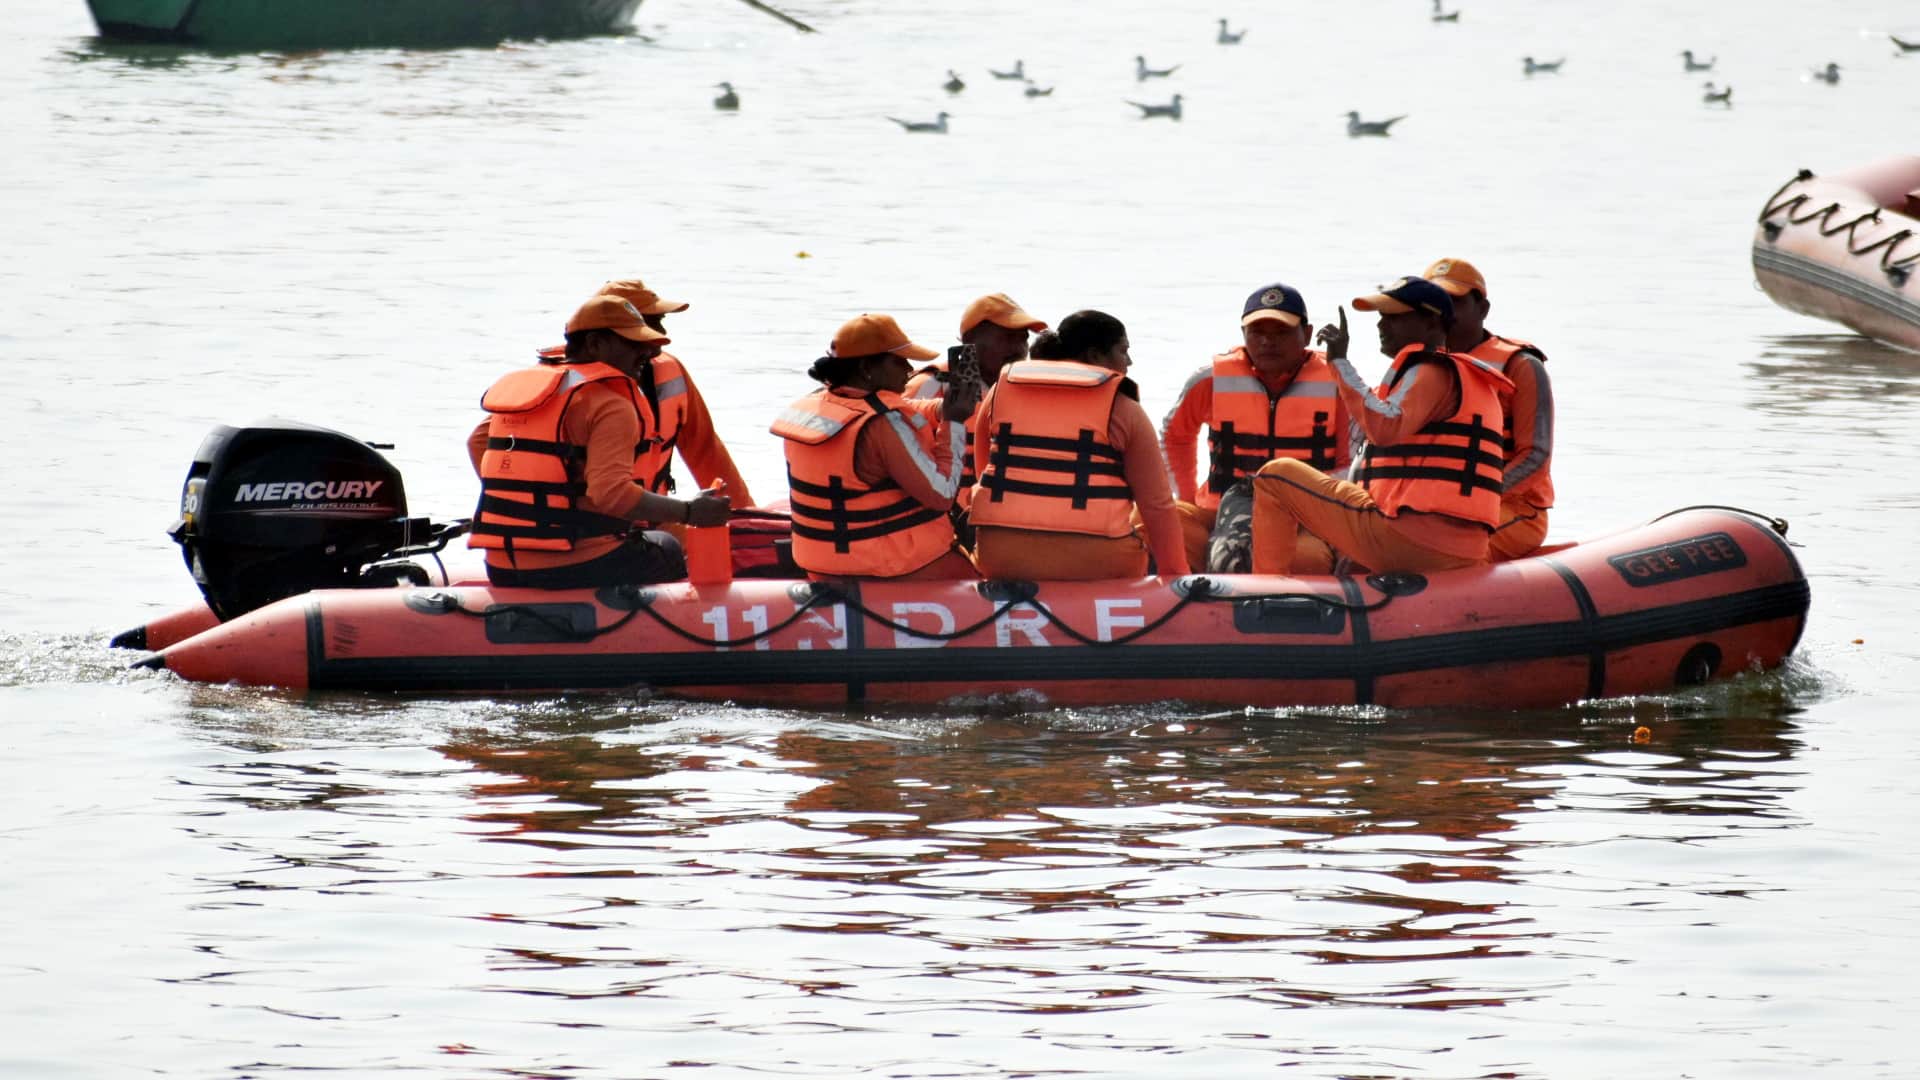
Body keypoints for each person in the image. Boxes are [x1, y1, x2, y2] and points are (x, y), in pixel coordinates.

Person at [1248, 277, 1512, 575]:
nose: (1380, 325)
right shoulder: (1468, 378)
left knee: (1275, 476)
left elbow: (1384, 428)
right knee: (1352, 541)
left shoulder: (1430, 369)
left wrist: (1339, 362)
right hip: (1464, 548)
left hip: (1411, 539)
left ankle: (1264, 592)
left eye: (1394, 317)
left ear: (1431, 323)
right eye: (1381, 317)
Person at [467, 295, 731, 588]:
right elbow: (611, 494)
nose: (647, 351)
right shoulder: (613, 406)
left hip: (501, 566)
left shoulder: (538, 394)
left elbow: (477, 441)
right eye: (633, 343)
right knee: (667, 546)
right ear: (595, 345)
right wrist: (689, 511)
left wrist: (539, 506)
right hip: (580, 565)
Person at [969, 310, 1191, 580]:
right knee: (1143, 526)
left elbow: (983, 475)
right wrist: (1177, 580)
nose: (1129, 361)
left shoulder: (998, 393)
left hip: (999, 559)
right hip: (1100, 563)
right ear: (1096, 357)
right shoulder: (1125, 408)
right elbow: (1157, 506)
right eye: (1123, 351)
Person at [771, 313, 981, 580]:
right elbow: (942, 495)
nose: (908, 368)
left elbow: (893, 410)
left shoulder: (819, 405)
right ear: (867, 369)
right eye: (898, 361)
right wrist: (954, 423)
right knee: (980, 573)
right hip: (891, 569)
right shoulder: (883, 425)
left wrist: (940, 409)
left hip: (822, 568)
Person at [1160, 282, 1352, 571]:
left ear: (1307, 334)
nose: (1267, 342)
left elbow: (1346, 462)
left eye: (1281, 332)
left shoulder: (1337, 382)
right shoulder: (1209, 379)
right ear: (1243, 334)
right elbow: (1175, 437)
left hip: (1305, 516)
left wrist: (1315, 509)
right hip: (1219, 510)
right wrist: (1187, 497)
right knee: (1158, 522)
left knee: (1305, 560)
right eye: (1257, 332)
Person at [536, 278, 756, 511]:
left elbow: (706, 452)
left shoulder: (670, 373)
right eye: (646, 328)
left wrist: (745, 518)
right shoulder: (550, 385)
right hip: (584, 529)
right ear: (599, 340)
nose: (658, 338)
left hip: (653, 517)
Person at [1422, 258, 1555, 559]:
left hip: (1511, 506)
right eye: (1434, 304)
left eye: (1454, 302)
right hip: (1432, 504)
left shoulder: (1522, 366)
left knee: (1440, 547)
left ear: (1482, 309)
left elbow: (1536, 456)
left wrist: (1476, 497)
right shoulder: (1419, 365)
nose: (1444, 313)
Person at [903, 293, 1049, 517]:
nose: (1019, 349)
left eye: (1023, 339)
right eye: (1007, 338)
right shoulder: (931, 385)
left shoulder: (1028, 389)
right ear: (971, 339)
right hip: (944, 515)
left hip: (1006, 516)